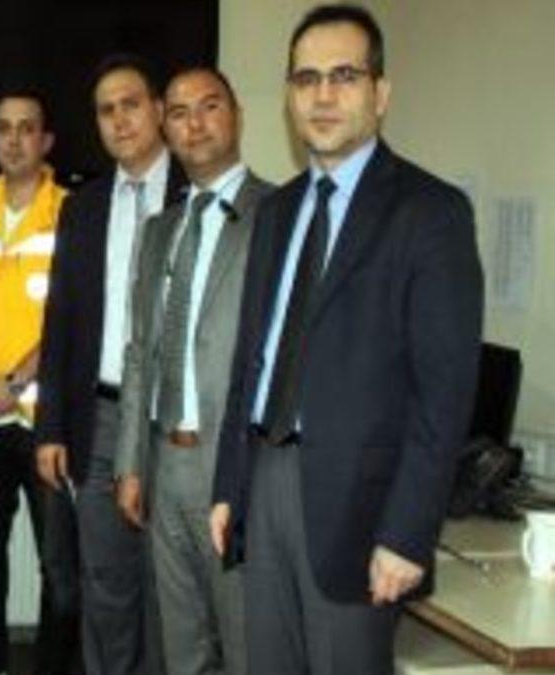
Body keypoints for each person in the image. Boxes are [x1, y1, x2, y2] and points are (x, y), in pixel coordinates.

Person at [209, 5, 483, 673]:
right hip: (264, 482)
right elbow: (251, 361)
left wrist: (408, 533)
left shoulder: (431, 212)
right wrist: (229, 485)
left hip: (360, 509)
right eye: (306, 79)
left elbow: (443, 395)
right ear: (289, 97)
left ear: (380, 93)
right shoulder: (276, 211)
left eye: (344, 76)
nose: (323, 95)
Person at [114, 66, 271, 675]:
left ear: (236, 115)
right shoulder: (160, 230)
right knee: (182, 648)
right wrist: (130, 463)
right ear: (165, 127)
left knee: (245, 643)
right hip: (164, 464)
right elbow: (138, 352)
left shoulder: (276, 214)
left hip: (233, 466)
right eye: (178, 113)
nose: (195, 124)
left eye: (209, 106)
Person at [34, 53, 187, 675]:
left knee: (171, 589)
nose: (119, 120)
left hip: (176, 425)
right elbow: (60, 321)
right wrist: (49, 427)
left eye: (131, 104)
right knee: (106, 586)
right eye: (105, 111)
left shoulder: (197, 194)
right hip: (98, 418)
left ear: (158, 110)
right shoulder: (84, 206)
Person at [0, 91, 80, 675]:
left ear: (46, 141)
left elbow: (70, 316)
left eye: (26, 128)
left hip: (46, 420)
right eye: (3, 128)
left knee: (59, 565)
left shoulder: (71, 213)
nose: (13, 139)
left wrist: (13, 379)